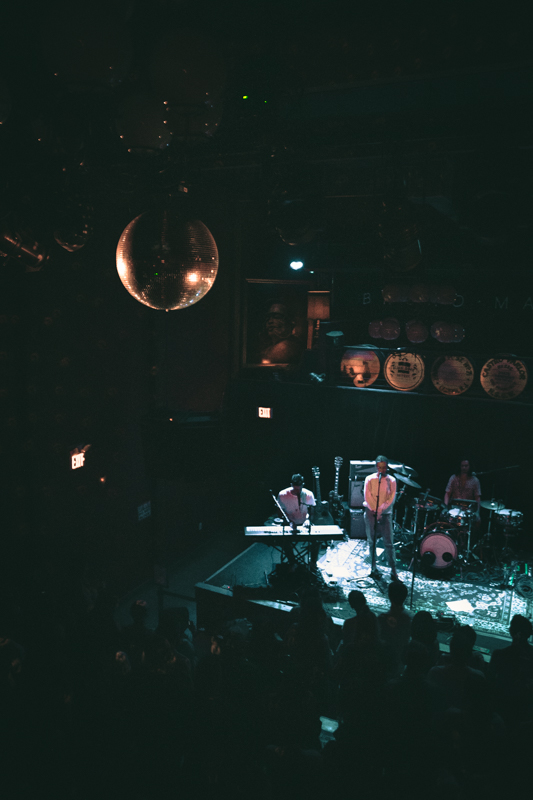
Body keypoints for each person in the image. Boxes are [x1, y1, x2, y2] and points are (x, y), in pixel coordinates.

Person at [363, 456, 398, 580]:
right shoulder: (370, 479)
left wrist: (381, 510)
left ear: (387, 467)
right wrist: (375, 510)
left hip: (385, 514)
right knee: (371, 541)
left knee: (389, 542)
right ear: (376, 467)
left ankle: (393, 570)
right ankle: (373, 568)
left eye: (384, 467)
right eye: (379, 467)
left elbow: (391, 498)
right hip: (370, 512)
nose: (381, 470)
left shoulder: (392, 480)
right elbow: (367, 496)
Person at [277, 473, 317, 567]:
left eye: (299, 489)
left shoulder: (308, 494)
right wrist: (289, 521)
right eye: (295, 489)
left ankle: (313, 563)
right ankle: (292, 562)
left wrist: (308, 520)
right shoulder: (283, 494)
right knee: (284, 541)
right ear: (291, 485)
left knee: (316, 540)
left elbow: (312, 511)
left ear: (303, 485)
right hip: (289, 524)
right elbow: (280, 512)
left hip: (304, 524)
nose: (298, 491)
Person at [444, 459, 481, 525]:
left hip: (468, 509)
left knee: (476, 522)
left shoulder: (475, 480)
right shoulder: (453, 478)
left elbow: (477, 497)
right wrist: (445, 507)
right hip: (454, 507)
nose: (464, 468)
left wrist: (477, 512)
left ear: (470, 467)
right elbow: (447, 493)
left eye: (466, 466)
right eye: (462, 466)